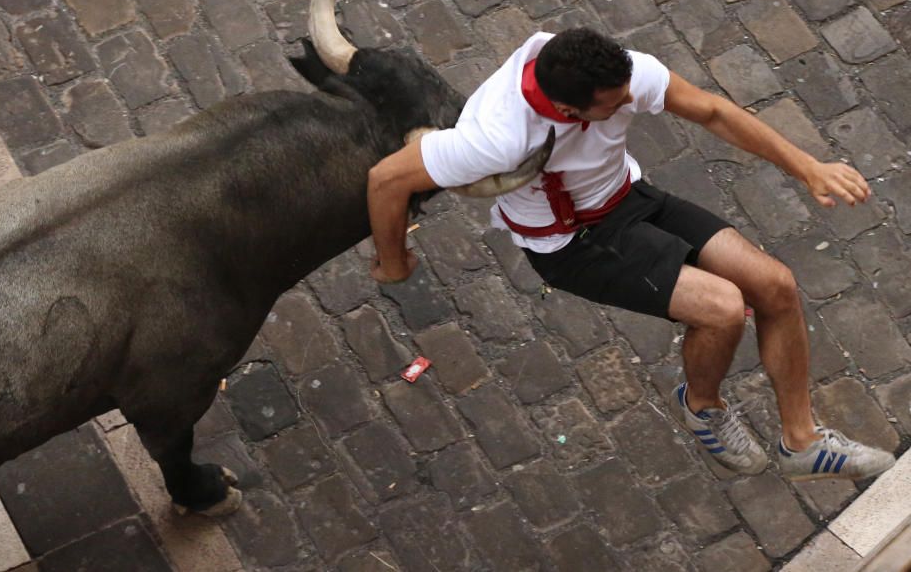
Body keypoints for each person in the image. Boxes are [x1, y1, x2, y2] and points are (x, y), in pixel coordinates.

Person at [366, 27, 895, 481]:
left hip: (629, 198)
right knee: (723, 309)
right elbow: (386, 179)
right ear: (571, 111)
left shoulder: (615, 73)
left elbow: (711, 111)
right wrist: (394, 263)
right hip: (573, 243)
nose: (630, 102)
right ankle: (702, 406)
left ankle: (802, 443)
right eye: (616, 104)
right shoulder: (497, 139)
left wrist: (807, 166)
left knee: (776, 286)